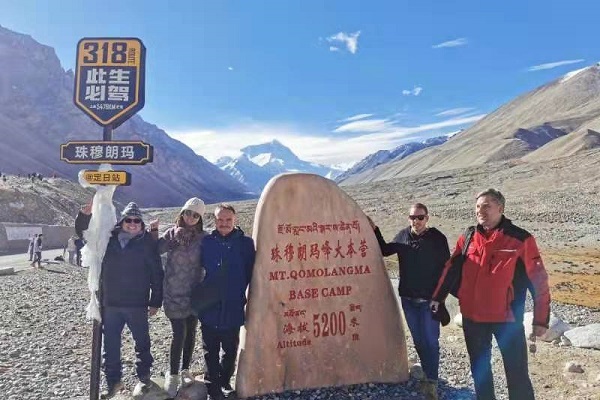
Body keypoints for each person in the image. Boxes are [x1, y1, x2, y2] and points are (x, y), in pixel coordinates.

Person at [430, 189, 551, 400]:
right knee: (480, 371)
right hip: (472, 318)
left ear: (500, 209)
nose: (480, 210)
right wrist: (437, 298)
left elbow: (539, 282)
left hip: (507, 320)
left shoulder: (521, 239)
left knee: (517, 373)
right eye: (478, 206)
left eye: (486, 206)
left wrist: (541, 320)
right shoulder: (468, 237)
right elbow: (451, 269)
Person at [76, 201, 164, 399]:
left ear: (142, 224)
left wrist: (156, 301)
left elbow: (157, 274)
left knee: (142, 344)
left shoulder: (147, 244)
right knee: (111, 347)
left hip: (137, 304)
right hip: (111, 304)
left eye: (137, 221)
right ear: (122, 221)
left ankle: (144, 378)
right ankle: (113, 383)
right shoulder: (108, 240)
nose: (132, 224)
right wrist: (84, 215)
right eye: (128, 220)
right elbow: (84, 234)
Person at [369, 203, 450, 400]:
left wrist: (439, 298)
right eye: (413, 217)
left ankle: (432, 381)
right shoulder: (403, 236)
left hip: (429, 301)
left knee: (431, 341)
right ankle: (427, 375)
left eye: (420, 217)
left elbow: (447, 270)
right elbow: (385, 250)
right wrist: (375, 229)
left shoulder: (437, 238)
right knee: (419, 341)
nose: (416, 221)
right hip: (408, 300)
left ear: (427, 218)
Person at [150, 197, 207, 397]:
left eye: (195, 214)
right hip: (173, 292)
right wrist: (154, 231)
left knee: (191, 332)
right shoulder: (171, 235)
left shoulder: (204, 238)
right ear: (182, 213)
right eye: (188, 212)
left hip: (194, 294)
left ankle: (185, 370)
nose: (191, 217)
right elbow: (155, 250)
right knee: (178, 334)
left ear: (200, 218)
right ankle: (172, 374)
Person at [199, 204, 255, 400]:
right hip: (209, 307)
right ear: (214, 221)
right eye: (220, 220)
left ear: (235, 220)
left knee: (230, 350)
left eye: (228, 220)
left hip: (233, 305)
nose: (224, 223)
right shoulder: (206, 242)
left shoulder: (246, 244)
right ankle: (212, 388)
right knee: (209, 351)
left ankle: (223, 381)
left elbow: (252, 273)